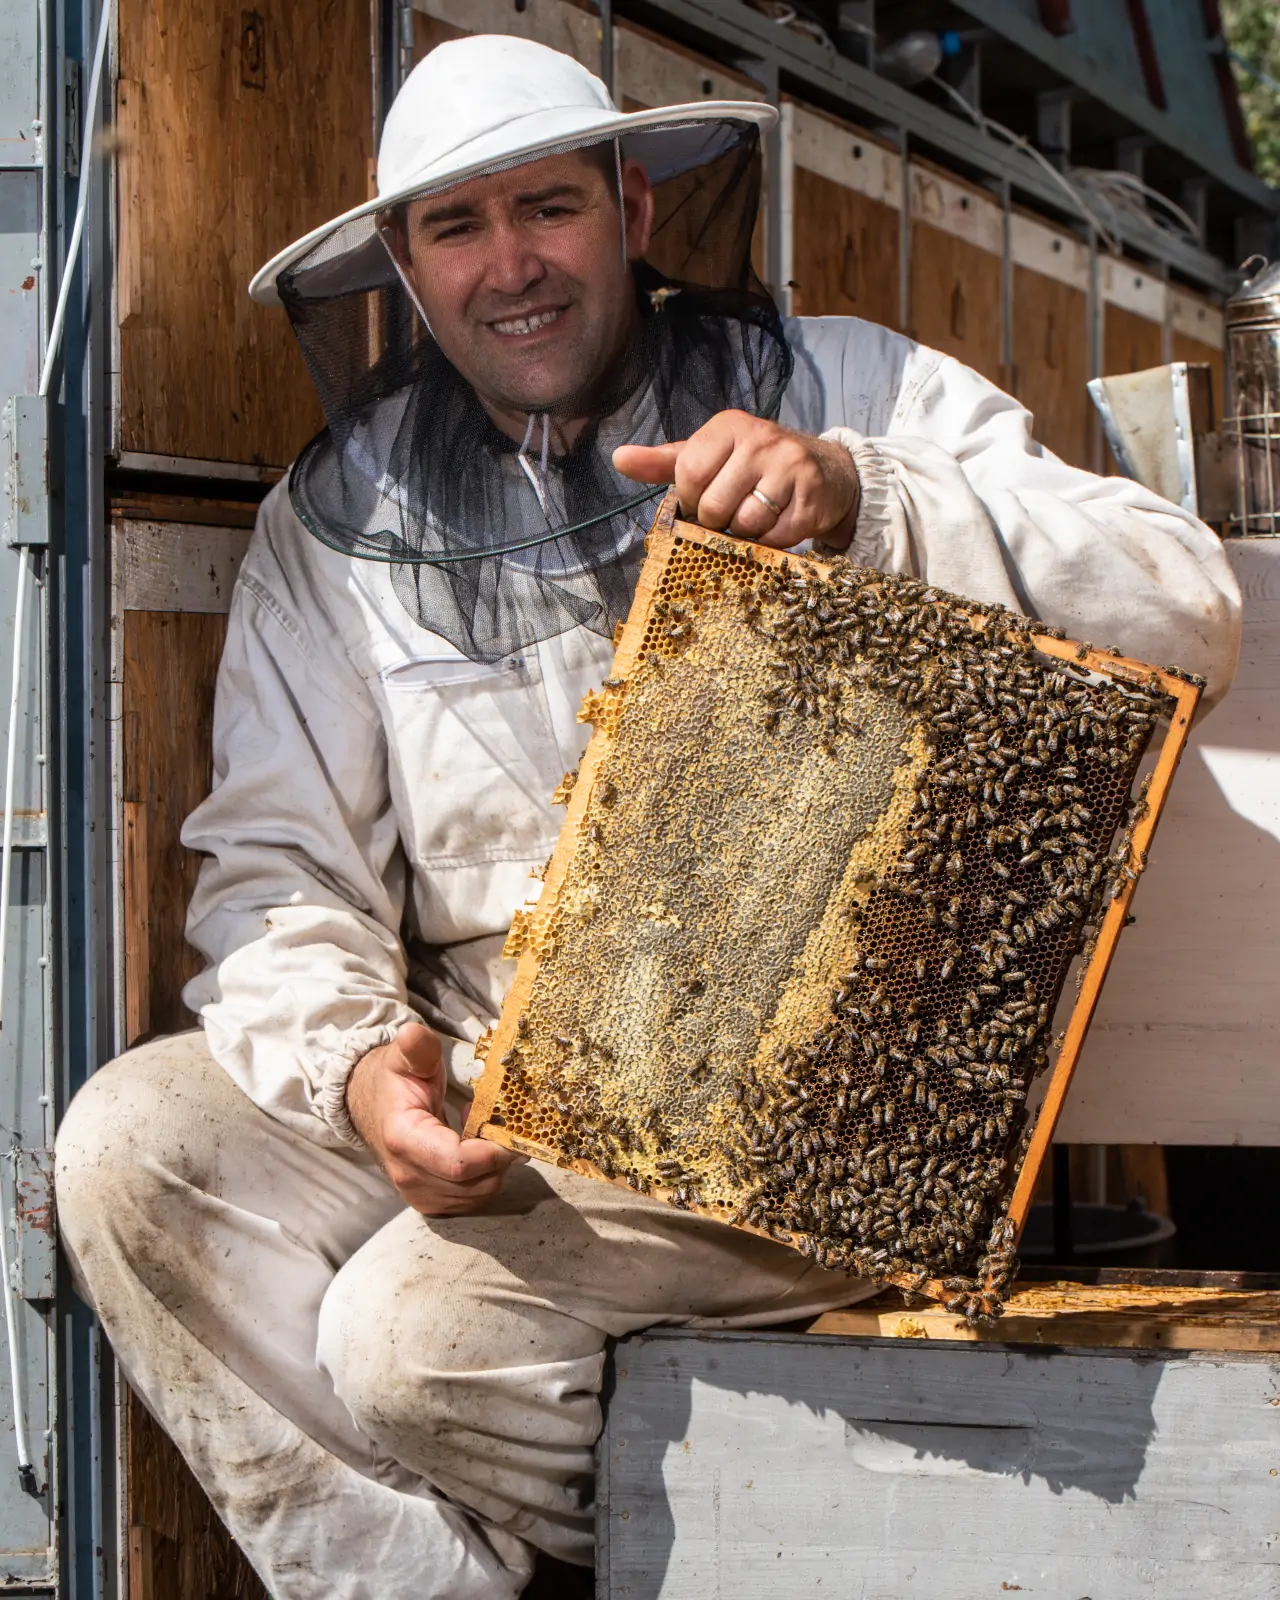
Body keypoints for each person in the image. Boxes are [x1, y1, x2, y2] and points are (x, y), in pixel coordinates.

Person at [55, 32, 1241, 1600]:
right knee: (128, 1147)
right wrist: (357, 1069)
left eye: (546, 207)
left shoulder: (855, 384)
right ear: (402, 269)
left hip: (813, 1102)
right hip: (496, 1074)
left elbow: (1190, 603)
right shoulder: (332, 526)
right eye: (456, 229)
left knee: (412, 1343)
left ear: (633, 206)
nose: (512, 267)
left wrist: (864, 497)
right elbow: (277, 867)